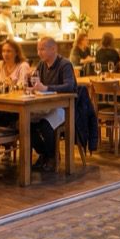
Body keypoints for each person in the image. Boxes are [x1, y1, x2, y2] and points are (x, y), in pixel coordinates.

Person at [29, 36, 76, 172]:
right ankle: (45, 153)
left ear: (53, 49)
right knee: (26, 123)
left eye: (42, 49)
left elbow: (69, 86)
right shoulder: (42, 65)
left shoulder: (65, 64)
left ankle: (51, 158)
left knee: (45, 125)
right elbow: (36, 82)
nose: (39, 53)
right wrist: (33, 87)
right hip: (45, 106)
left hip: (64, 107)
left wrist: (47, 88)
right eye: (38, 49)